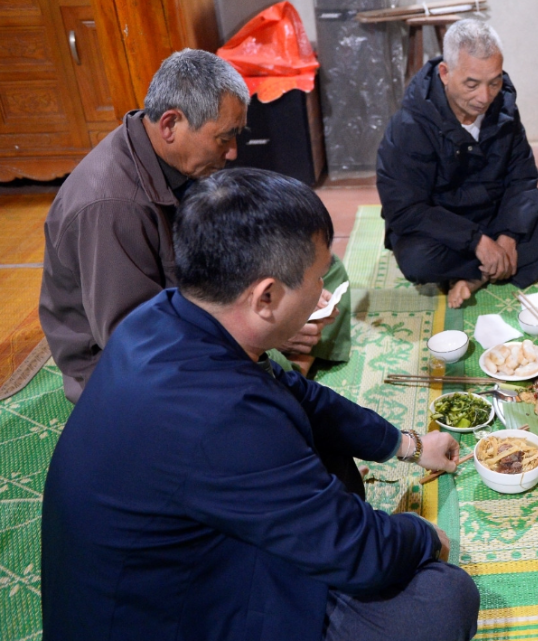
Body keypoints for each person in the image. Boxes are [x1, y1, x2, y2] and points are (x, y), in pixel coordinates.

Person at [41, 169, 479, 641]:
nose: (324, 294)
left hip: (188, 556)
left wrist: (406, 444)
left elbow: (298, 394)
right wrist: (422, 536)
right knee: (443, 600)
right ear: (266, 297)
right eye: (317, 279)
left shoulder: (163, 313)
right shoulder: (222, 418)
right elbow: (359, 552)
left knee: (321, 445)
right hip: (176, 613)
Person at [39, 49, 345, 403]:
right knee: (266, 399)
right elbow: (135, 341)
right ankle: (288, 361)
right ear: (170, 124)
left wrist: (285, 295)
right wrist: (265, 328)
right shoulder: (112, 207)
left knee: (316, 262)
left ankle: (290, 352)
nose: (233, 152)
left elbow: (222, 240)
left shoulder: (173, 156)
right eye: (224, 138)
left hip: (190, 304)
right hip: (127, 368)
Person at [377, 19, 538, 308]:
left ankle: (479, 275)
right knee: (417, 263)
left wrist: (509, 236)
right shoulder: (409, 126)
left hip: (493, 219)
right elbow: (404, 209)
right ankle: (495, 266)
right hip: (442, 230)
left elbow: (521, 179)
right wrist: (477, 242)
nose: (484, 97)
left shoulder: (503, 110)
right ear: (445, 73)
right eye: (472, 84)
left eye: (495, 82)